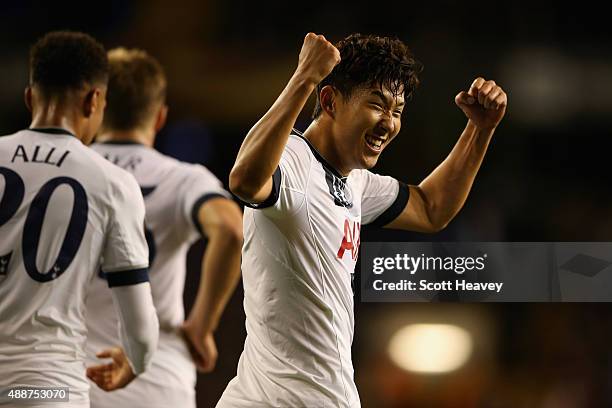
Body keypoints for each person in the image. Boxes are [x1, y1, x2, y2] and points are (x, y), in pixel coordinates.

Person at [220, 32, 508, 407]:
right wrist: (305, 76)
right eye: (378, 104)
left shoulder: (354, 183)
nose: (388, 123)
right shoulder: (292, 160)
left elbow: (431, 208)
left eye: (398, 111)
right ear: (329, 101)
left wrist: (480, 129)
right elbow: (243, 180)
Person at [0, 32, 159, 408]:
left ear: (29, 97)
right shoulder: (112, 183)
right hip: (45, 388)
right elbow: (139, 328)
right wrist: (136, 361)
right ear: (94, 100)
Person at [85, 48, 243, 408]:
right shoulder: (182, 178)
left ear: (96, 107)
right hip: (157, 380)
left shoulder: (66, 174)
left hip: (68, 380)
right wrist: (202, 325)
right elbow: (232, 230)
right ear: (159, 117)